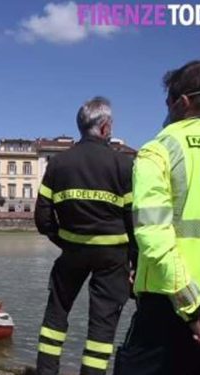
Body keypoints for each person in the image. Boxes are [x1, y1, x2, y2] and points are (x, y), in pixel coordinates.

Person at [114, 58, 200, 374]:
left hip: (168, 311)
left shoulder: (159, 150)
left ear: (182, 103)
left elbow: (153, 234)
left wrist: (196, 308)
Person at [34, 97, 135, 375]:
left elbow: (42, 219)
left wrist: (65, 241)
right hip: (114, 257)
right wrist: (136, 264)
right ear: (104, 128)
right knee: (101, 327)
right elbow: (134, 221)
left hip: (72, 253)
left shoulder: (58, 164)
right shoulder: (123, 165)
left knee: (56, 316)